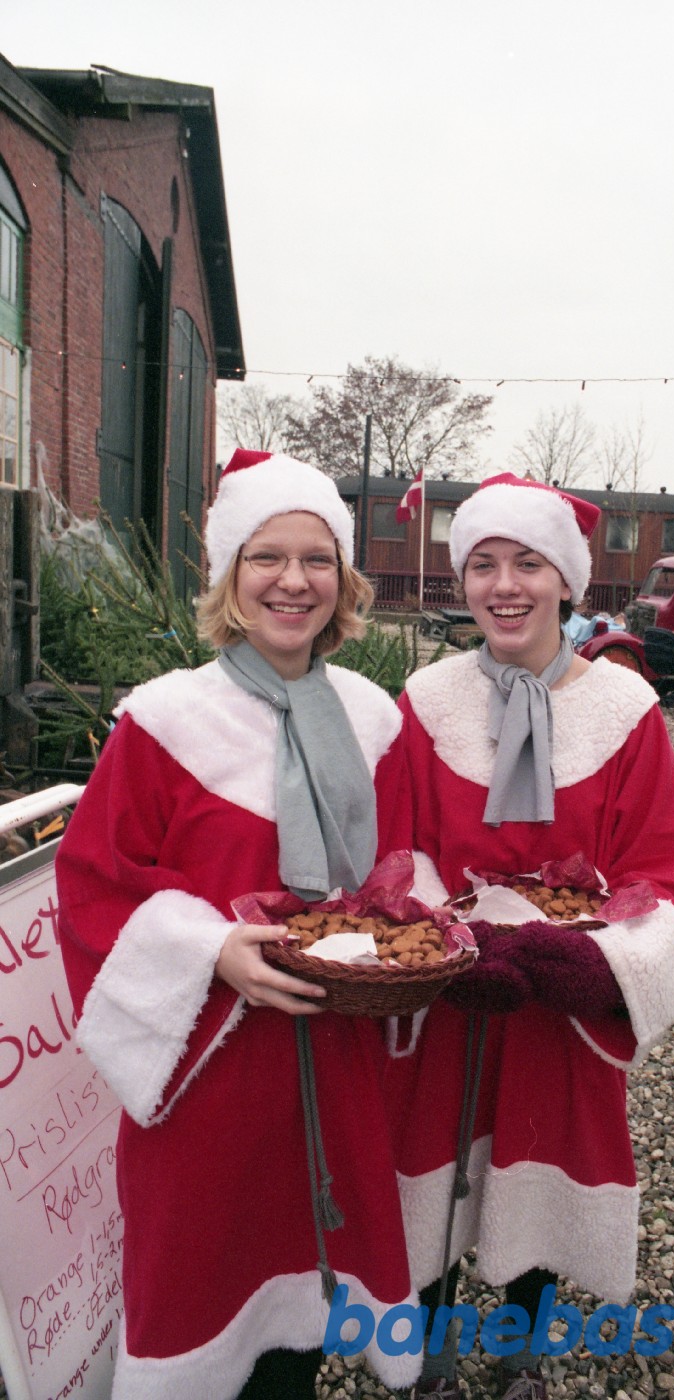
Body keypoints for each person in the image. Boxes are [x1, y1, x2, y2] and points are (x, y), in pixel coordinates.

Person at [55, 450, 419, 1400]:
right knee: (203, 1298)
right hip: (208, 1071)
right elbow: (93, 884)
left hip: (334, 1058)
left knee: (306, 1310)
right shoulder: (165, 721)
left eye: (315, 559)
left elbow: (400, 868)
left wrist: (389, 925)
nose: (292, 581)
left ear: (342, 580)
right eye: (267, 556)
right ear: (228, 573)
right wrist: (212, 947)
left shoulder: (375, 721)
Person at [388, 473, 674, 1400]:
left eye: (527, 562)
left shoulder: (624, 711)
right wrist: (440, 930)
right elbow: (396, 845)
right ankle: (432, 1356)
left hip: (557, 999)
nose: (504, 585)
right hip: (451, 985)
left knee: (541, 1165)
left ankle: (523, 1356)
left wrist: (584, 957)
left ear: (567, 581)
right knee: (435, 1169)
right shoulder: (427, 698)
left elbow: (663, 874)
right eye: (483, 564)